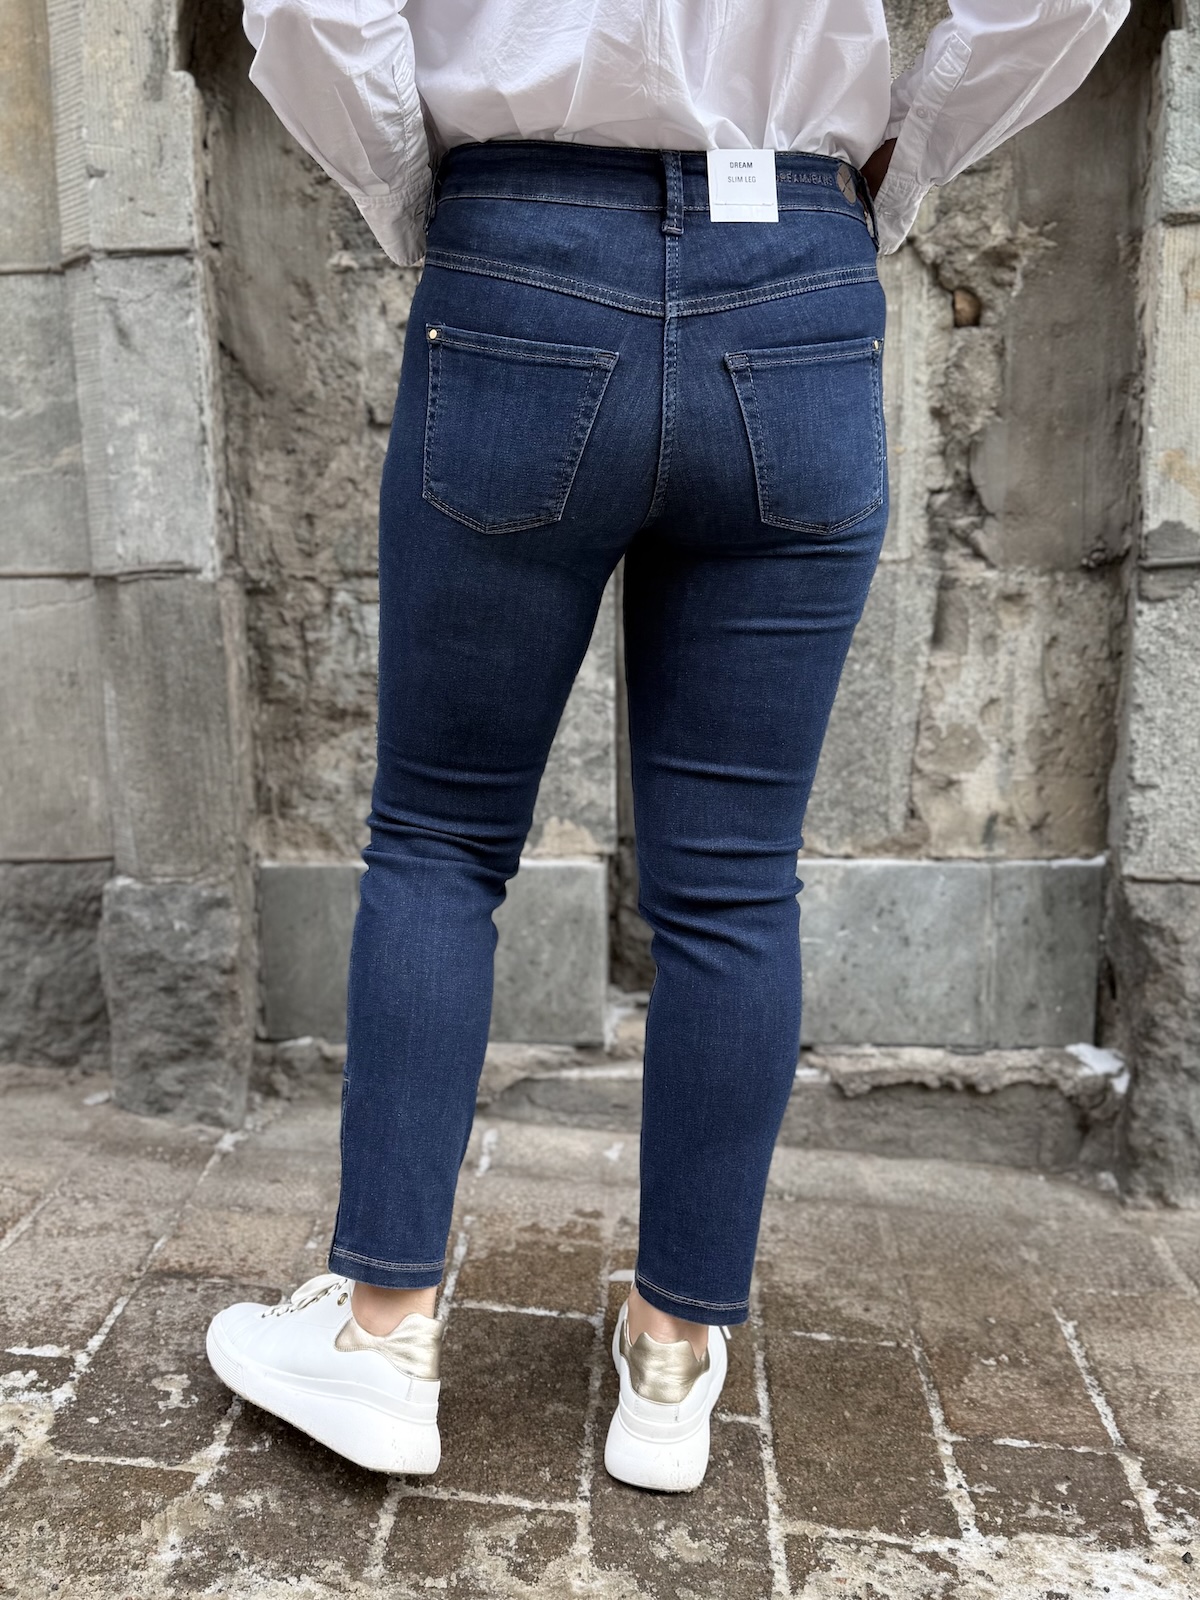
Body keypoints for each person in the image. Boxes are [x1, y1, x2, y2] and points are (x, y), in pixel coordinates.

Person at [206, 0, 1129, 1494]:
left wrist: (427, 194)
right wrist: (898, 169)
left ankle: (380, 1339)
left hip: (520, 252)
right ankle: (673, 1360)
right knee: (736, 880)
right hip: (799, 268)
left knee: (440, 839)